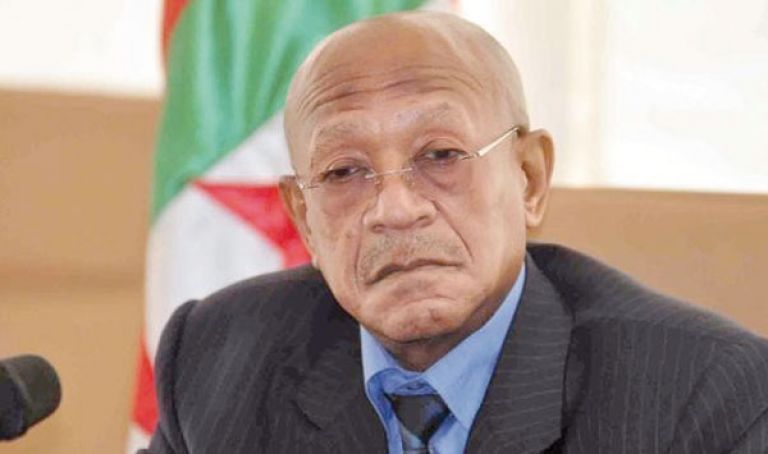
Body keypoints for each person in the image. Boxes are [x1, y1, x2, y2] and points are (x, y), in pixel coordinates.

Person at [144, 11, 768, 454]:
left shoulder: (701, 397)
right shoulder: (217, 359)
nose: (394, 209)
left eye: (440, 156)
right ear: (304, 217)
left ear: (528, 179)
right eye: (344, 171)